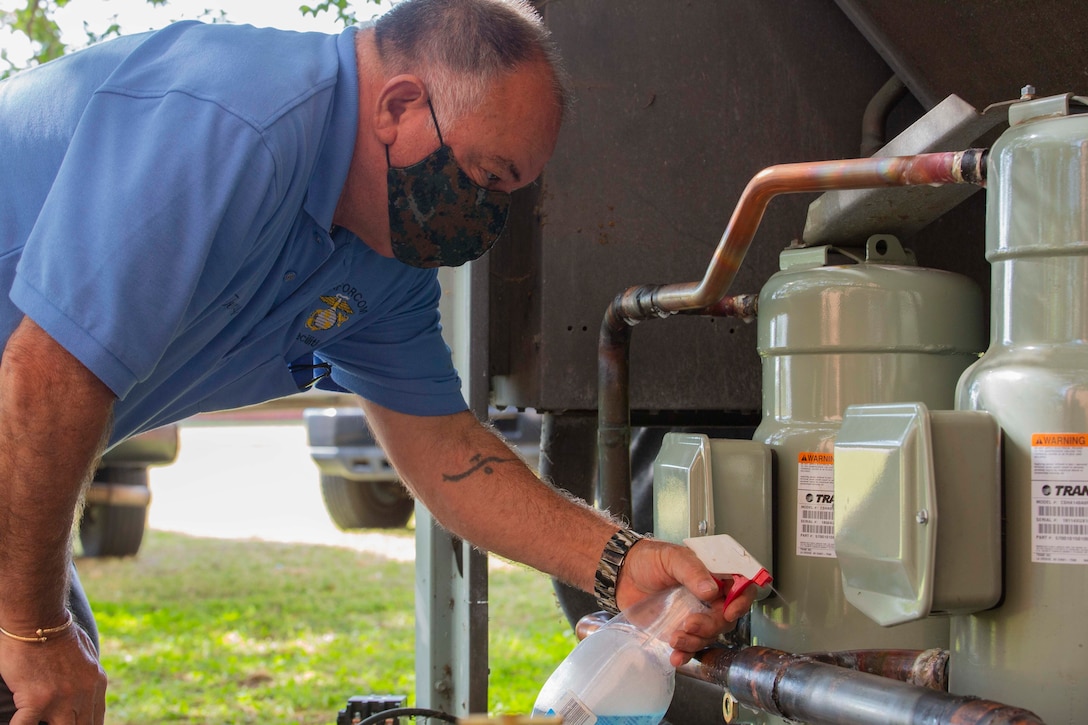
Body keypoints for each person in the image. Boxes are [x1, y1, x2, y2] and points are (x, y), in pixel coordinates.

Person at [0, 1, 756, 722]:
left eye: (510, 195)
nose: (489, 218)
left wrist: (620, 560)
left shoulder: (383, 261)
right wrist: (33, 629)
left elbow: (444, 447)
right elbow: (46, 376)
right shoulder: (233, 122)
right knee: (39, 681)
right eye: (487, 177)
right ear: (397, 106)